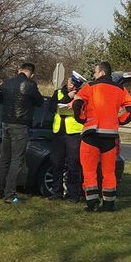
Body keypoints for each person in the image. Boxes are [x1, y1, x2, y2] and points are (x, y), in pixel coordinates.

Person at [73, 62, 131, 212]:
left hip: (91, 134)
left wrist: (82, 118)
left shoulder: (90, 86)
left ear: (101, 73)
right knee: (109, 173)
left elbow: (77, 103)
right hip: (110, 136)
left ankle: (92, 203)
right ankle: (109, 204)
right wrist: (120, 120)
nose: (94, 75)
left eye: (95, 72)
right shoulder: (120, 89)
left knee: (89, 171)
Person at [0, 62, 43, 204]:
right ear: (31, 73)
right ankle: (10, 194)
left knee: (5, 158)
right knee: (17, 160)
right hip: (21, 125)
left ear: (19, 70)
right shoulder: (30, 85)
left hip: (5, 123)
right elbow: (39, 102)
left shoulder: (7, 83)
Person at [48, 72, 85, 201]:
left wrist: (74, 97)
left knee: (73, 165)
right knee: (56, 163)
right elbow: (51, 107)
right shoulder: (58, 92)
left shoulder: (81, 95)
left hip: (73, 134)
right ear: (68, 81)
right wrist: (67, 97)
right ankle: (57, 192)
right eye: (71, 84)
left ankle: (73, 194)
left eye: (75, 85)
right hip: (58, 133)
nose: (73, 87)